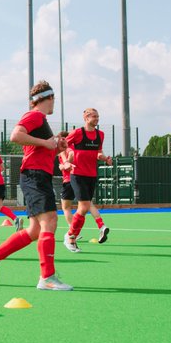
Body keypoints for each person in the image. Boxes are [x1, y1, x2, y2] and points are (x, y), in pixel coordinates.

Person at [0, 81, 72, 291]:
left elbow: (37, 150)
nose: (54, 101)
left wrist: (55, 148)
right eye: (53, 98)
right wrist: (47, 143)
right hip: (35, 176)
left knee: (35, 230)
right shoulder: (36, 115)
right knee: (50, 221)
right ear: (48, 98)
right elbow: (15, 135)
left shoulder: (41, 121)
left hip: (37, 175)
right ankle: (47, 277)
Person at [62, 107, 112, 252]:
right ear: (86, 118)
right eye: (94, 116)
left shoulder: (100, 135)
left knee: (82, 209)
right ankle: (70, 237)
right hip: (77, 174)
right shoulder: (77, 133)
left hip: (92, 175)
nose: (97, 119)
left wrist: (105, 158)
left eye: (98, 116)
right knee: (84, 206)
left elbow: (98, 153)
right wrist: (66, 159)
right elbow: (62, 146)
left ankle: (71, 237)